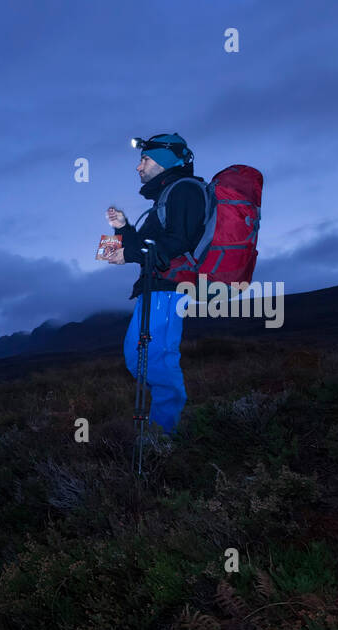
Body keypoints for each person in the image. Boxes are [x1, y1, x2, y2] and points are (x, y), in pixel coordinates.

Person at [104, 133, 206, 434]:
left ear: (163, 162)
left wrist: (130, 252)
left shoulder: (184, 190)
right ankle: (167, 424)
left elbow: (179, 240)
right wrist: (123, 228)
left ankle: (166, 436)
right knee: (139, 358)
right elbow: (150, 247)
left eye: (145, 159)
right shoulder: (167, 196)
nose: (139, 167)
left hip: (169, 288)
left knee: (156, 360)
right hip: (156, 288)